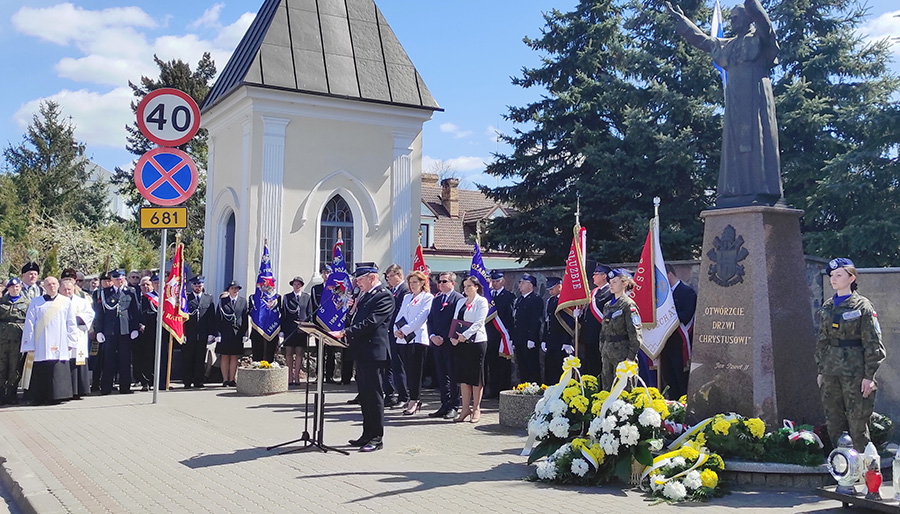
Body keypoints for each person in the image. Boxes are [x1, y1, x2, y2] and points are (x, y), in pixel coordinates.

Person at [665, 0, 783, 207]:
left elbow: (765, 25)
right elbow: (702, 40)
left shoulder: (759, 39)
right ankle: (736, 191)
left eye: (736, 18)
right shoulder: (727, 44)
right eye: (731, 18)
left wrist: (752, 3)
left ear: (748, 18)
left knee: (757, 140)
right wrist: (681, 19)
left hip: (755, 96)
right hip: (735, 100)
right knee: (735, 144)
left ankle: (761, 190)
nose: (732, 21)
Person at [816, 258, 886, 452]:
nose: (833, 279)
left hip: (855, 373)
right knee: (834, 421)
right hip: (831, 371)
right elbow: (822, 341)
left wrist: (868, 376)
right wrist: (821, 370)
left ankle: (864, 470)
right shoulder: (828, 307)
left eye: (839, 275)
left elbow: (873, 343)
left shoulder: (862, 307)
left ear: (851, 277)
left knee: (857, 424)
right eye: (831, 275)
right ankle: (841, 468)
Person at [329, 262, 393, 453]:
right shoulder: (362, 296)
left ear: (372, 277)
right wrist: (351, 310)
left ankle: (377, 437)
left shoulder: (384, 296)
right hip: (362, 352)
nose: (357, 282)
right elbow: (355, 319)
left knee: (374, 397)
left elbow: (372, 322)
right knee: (364, 397)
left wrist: (345, 332)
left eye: (360, 279)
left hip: (374, 353)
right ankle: (366, 434)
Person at [20, 277, 77, 405]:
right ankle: (40, 396)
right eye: (49, 284)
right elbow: (29, 323)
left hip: (60, 341)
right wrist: (29, 343)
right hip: (41, 342)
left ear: (58, 285)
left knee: (58, 368)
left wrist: (71, 341)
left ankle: (59, 395)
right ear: (44, 287)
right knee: (42, 368)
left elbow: (71, 322)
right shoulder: (36, 302)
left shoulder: (65, 301)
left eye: (54, 284)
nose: (52, 286)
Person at [392, 270, 434, 415]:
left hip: (417, 338)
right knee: (407, 370)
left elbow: (422, 317)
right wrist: (396, 329)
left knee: (415, 371)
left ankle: (414, 400)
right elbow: (400, 314)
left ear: (422, 283)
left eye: (415, 282)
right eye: (410, 282)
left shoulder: (427, 297)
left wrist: (406, 330)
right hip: (403, 339)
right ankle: (411, 397)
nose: (412, 285)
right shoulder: (407, 297)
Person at [94, 270, 141, 395]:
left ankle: (125, 387)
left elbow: (135, 311)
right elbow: (100, 313)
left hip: (125, 331)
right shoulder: (105, 293)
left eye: (120, 278)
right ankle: (106, 387)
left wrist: (135, 328)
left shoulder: (130, 291)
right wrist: (99, 331)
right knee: (108, 360)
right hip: (109, 331)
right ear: (112, 280)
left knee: (125, 360)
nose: (119, 281)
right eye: (116, 279)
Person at [450, 276, 489, 423]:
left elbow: (479, 322)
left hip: (476, 342)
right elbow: (456, 320)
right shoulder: (461, 301)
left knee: (475, 376)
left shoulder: (481, 301)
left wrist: (465, 335)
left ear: (476, 287)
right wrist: (453, 336)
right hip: (461, 343)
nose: (466, 289)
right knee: (463, 376)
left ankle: (476, 408)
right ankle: (465, 408)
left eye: (469, 286)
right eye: (464, 286)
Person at [427, 272, 464, 419]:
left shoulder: (458, 299)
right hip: (437, 343)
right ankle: (444, 404)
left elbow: (458, 322)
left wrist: (446, 337)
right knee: (441, 375)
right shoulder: (436, 300)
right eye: (439, 282)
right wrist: (432, 336)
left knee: (453, 376)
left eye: (443, 281)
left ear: (452, 283)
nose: (440, 284)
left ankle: (454, 406)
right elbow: (430, 320)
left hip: (451, 344)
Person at [600, 269, 644, 390]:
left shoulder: (628, 305)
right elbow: (603, 331)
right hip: (607, 353)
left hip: (623, 354)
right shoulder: (607, 305)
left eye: (615, 282)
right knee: (607, 388)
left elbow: (635, 334)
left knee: (623, 390)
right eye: (610, 282)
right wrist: (602, 348)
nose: (611, 285)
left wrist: (630, 357)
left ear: (624, 284)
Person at [660, 264, 698, 399]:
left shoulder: (687, 292)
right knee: (669, 381)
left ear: (669, 275)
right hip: (665, 343)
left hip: (680, 345)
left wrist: (667, 316)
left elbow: (686, 315)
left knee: (681, 381)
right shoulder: (663, 294)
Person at [59, 277, 94, 399]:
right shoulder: (56, 302)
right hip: (62, 336)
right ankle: (65, 391)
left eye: (69, 289)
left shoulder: (82, 302)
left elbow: (90, 314)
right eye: (64, 289)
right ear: (60, 290)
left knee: (77, 361)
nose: (67, 292)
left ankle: (79, 390)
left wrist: (75, 320)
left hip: (78, 334)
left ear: (74, 289)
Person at [382, 263, 409, 409]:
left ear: (399, 275)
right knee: (390, 365)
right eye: (387, 277)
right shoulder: (393, 290)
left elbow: (401, 313)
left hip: (399, 332)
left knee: (399, 366)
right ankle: (391, 394)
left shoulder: (404, 291)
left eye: (390, 276)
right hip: (390, 332)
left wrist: (397, 328)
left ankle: (404, 396)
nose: (388, 279)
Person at [484, 270, 514, 398]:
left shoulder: (509, 296)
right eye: (493, 281)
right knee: (492, 363)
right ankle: (493, 389)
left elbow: (510, 317)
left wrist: (509, 334)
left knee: (503, 364)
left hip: (502, 335)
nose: (495, 284)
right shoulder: (488, 296)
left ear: (503, 281)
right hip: (490, 334)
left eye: (497, 281)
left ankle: (503, 389)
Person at [0, 277, 29, 404]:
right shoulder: (2, 302)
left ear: (20, 287)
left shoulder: (27, 303)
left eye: (17, 287)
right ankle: (1, 392)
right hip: (3, 339)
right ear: (8, 288)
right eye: (12, 287)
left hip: (19, 339)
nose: (15, 289)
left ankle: (12, 393)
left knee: (15, 367)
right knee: (1, 366)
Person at [580, 263, 613, 377]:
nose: (593, 276)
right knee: (589, 365)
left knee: (599, 365)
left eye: (596, 274)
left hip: (600, 334)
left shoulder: (609, 291)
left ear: (604, 276)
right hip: (589, 336)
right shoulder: (593, 292)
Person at [183, 276, 215, 389]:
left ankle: (198, 380)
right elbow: (182, 317)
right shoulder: (186, 298)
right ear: (192, 286)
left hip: (203, 333)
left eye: (200, 285)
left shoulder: (208, 298)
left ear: (203, 285)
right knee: (188, 358)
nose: (198, 287)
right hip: (189, 333)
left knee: (200, 358)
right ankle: (187, 381)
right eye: (196, 285)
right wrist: (183, 333)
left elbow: (211, 317)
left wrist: (212, 333)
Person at [511, 274, 544, 385]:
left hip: (529, 339)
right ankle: (524, 388)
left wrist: (532, 338)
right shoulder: (519, 300)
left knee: (532, 366)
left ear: (530, 285)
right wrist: (513, 339)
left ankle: (534, 389)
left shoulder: (535, 299)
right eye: (520, 282)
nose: (520, 285)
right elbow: (516, 320)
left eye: (523, 283)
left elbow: (536, 320)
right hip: (519, 339)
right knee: (522, 366)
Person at [542, 277, 574, 386]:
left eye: (552, 289)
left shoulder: (566, 300)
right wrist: (544, 339)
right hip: (551, 340)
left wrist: (567, 341)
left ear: (559, 286)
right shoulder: (550, 300)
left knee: (561, 369)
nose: (550, 291)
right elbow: (548, 321)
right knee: (550, 368)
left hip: (562, 341)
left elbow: (569, 322)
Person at [216, 281, 249, 387]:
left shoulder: (243, 301)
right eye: (233, 288)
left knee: (234, 356)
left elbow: (244, 319)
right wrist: (217, 334)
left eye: (237, 289)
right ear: (228, 290)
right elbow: (218, 317)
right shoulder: (223, 301)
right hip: (225, 332)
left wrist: (245, 333)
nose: (235, 291)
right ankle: (225, 379)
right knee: (225, 356)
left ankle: (232, 379)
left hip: (237, 333)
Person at [282, 276, 313, 385]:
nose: (297, 286)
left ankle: (297, 377)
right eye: (295, 284)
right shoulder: (287, 297)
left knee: (299, 352)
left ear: (301, 285)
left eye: (299, 284)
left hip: (302, 329)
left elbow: (310, 314)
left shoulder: (306, 297)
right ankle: (289, 377)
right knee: (289, 352)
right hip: (289, 328)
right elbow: (284, 314)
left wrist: (309, 329)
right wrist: (282, 330)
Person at [135, 276, 159, 391]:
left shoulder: (163, 298)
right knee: (147, 357)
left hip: (160, 331)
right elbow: (139, 313)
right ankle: (146, 381)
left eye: (147, 284)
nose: (145, 287)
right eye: (143, 285)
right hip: (147, 332)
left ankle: (160, 381)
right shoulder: (143, 298)